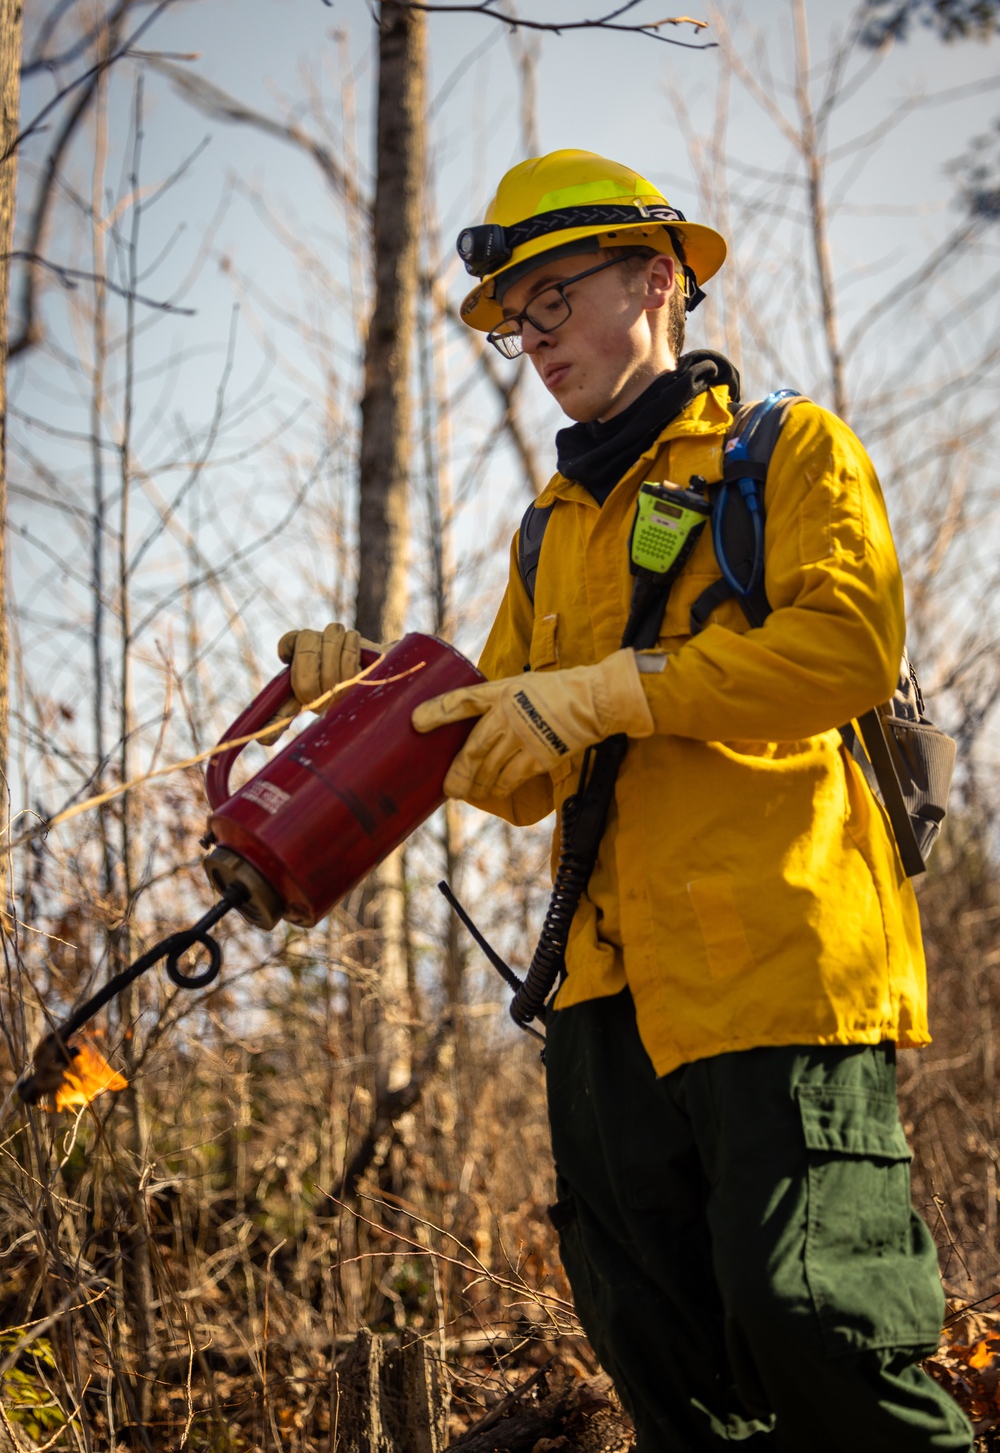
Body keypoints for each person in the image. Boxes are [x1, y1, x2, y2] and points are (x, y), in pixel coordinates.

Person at [280, 150, 974, 1451]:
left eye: (555, 298)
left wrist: (620, 690)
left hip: (779, 964)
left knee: (812, 1316)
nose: (532, 339)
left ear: (656, 278)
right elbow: (516, 766)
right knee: (663, 1356)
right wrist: (375, 699)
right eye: (514, 321)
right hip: (608, 998)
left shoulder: (784, 454)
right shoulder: (550, 527)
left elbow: (846, 650)